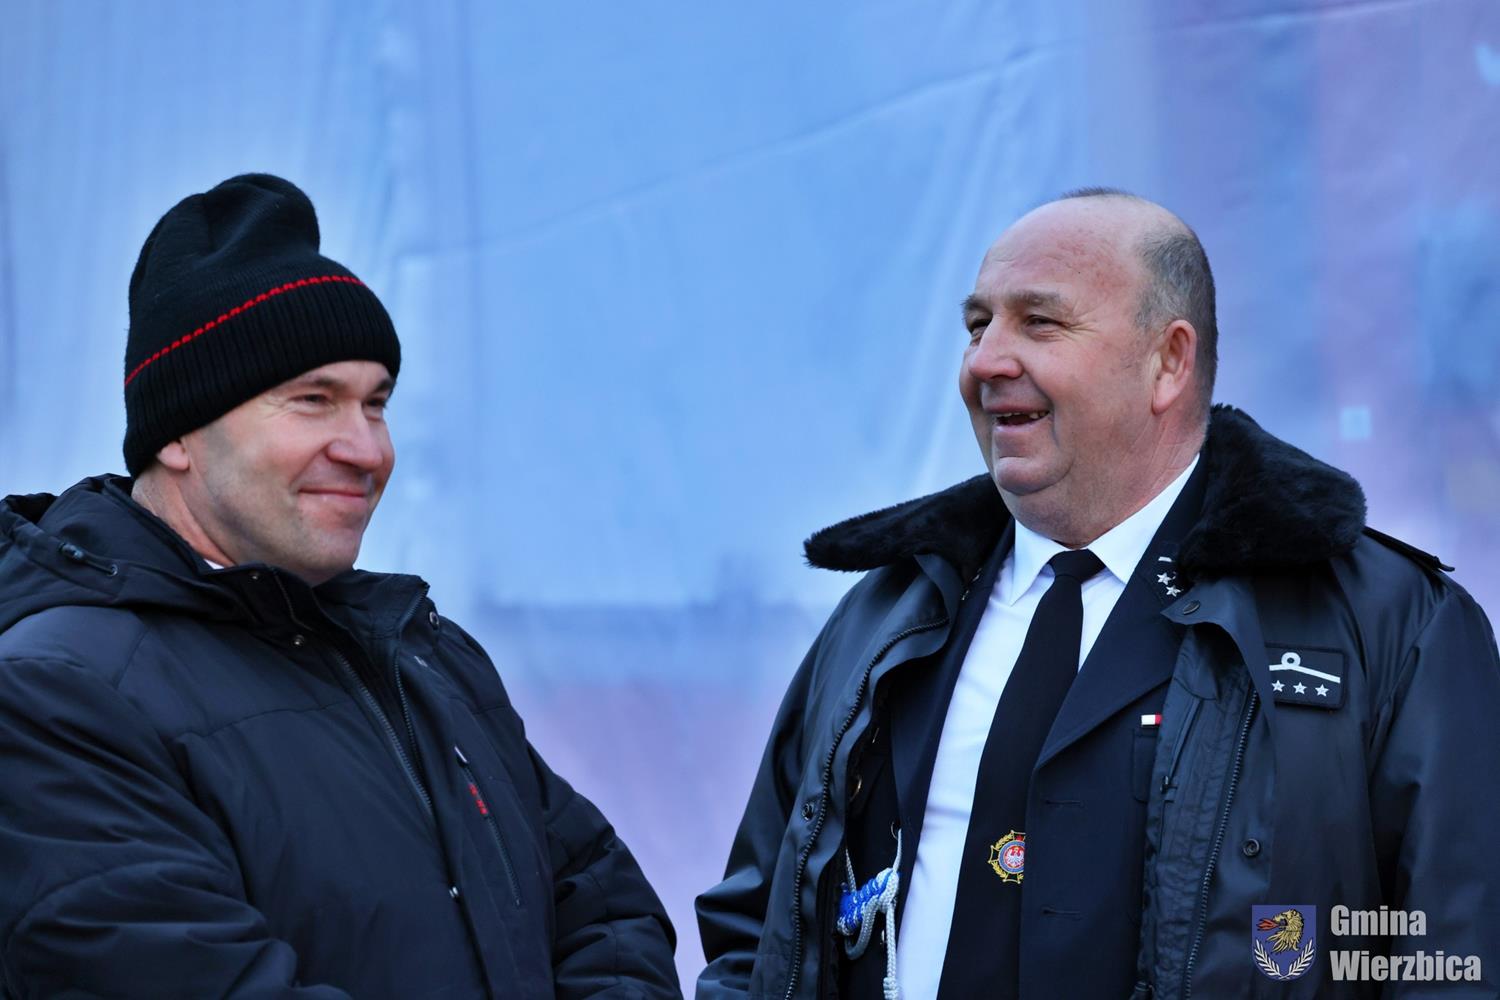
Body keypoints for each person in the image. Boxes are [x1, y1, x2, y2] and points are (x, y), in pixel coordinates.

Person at [696, 189, 1500, 998]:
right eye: (977, 326)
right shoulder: (889, 613)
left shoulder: (1388, 627)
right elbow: (761, 934)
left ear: (1168, 362)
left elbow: (1453, 960)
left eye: (1040, 322)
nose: (985, 362)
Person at [0, 174, 681, 999]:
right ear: (178, 432)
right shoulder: (55, 694)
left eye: (376, 404)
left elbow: (604, 904)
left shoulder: (422, 655)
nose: (367, 450)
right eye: (314, 400)